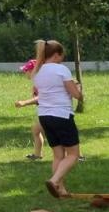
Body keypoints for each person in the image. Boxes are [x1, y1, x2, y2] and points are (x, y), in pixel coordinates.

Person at [31, 39, 82, 198]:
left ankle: (61, 190)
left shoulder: (37, 72)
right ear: (56, 55)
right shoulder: (61, 70)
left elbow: (42, 92)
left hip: (44, 116)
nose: (62, 59)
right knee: (73, 155)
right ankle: (54, 181)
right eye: (61, 56)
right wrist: (78, 88)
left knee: (58, 155)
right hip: (61, 115)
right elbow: (76, 95)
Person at [14, 42, 44, 160]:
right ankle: (37, 154)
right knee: (36, 130)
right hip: (44, 110)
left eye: (26, 70)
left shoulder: (40, 82)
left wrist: (24, 102)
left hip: (49, 111)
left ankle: (77, 155)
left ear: (33, 71)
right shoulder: (36, 82)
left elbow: (41, 98)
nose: (24, 72)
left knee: (60, 135)